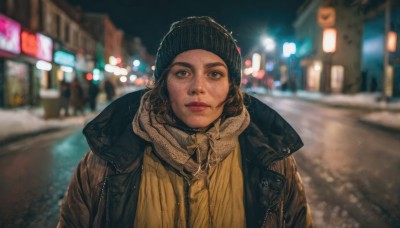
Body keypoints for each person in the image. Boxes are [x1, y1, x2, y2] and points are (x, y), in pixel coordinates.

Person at [58, 16, 314, 227]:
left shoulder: (273, 163)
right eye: (182, 72)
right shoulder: (103, 163)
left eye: (214, 74)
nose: (198, 87)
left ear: (231, 86)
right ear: (163, 84)